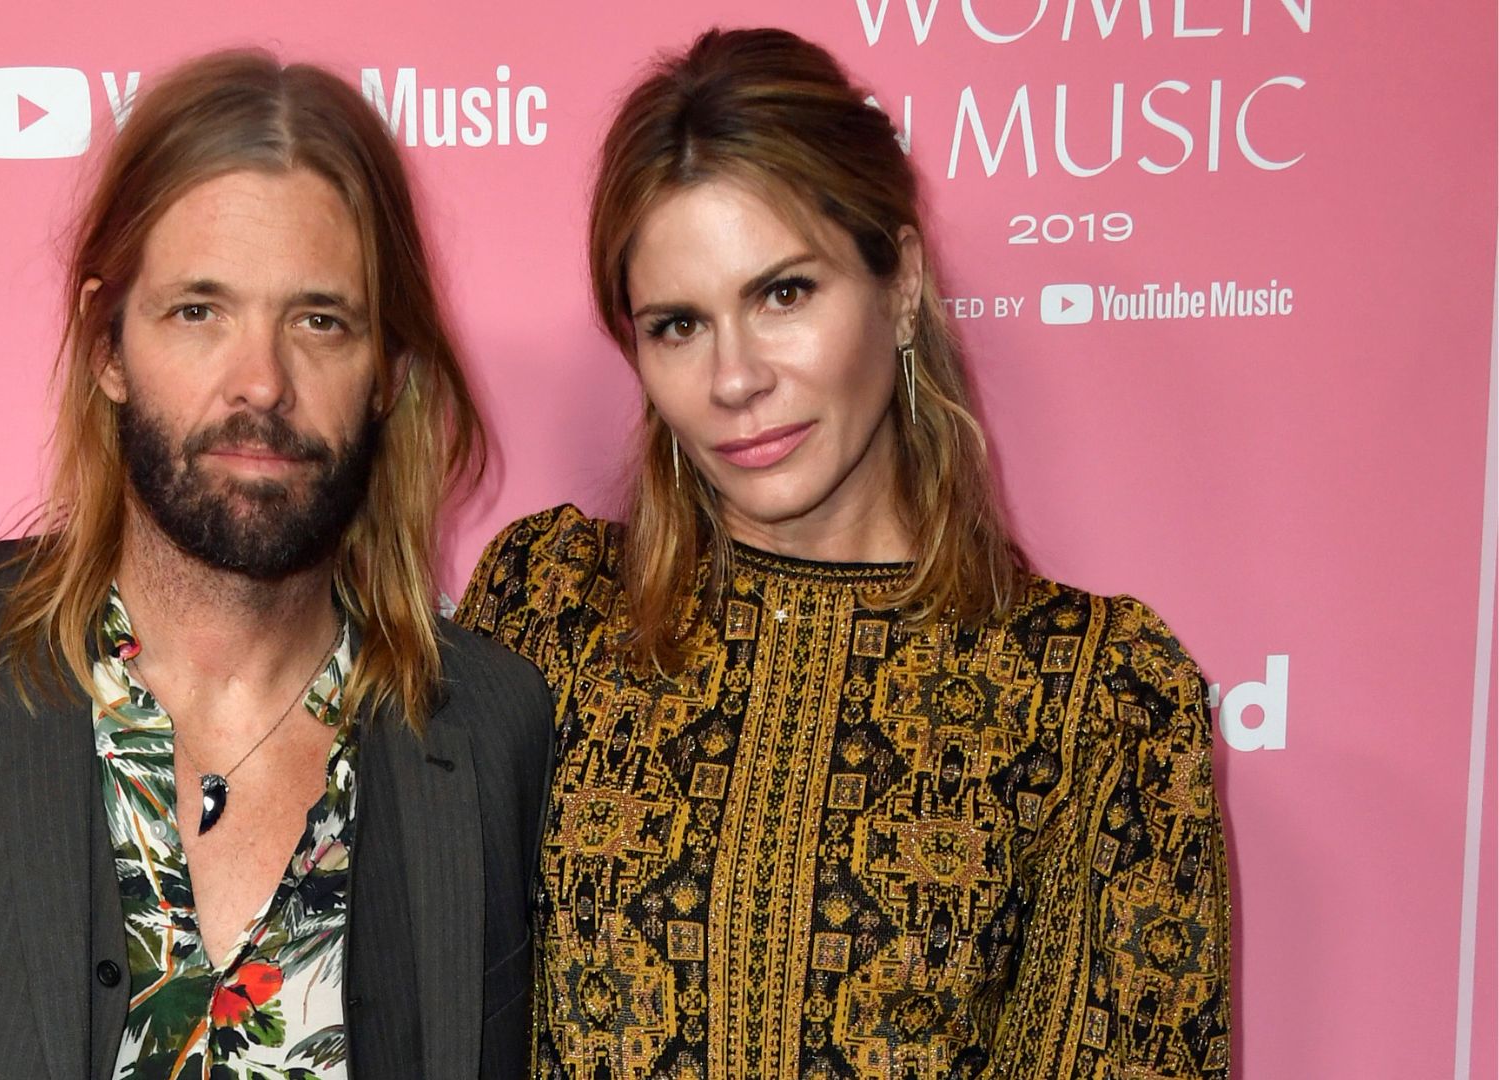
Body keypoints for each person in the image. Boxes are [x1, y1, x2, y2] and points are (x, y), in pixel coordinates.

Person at [0, 49, 552, 1080]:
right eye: (199, 311)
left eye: (320, 321)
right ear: (108, 345)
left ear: (386, 375)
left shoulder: (491, 725)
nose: (261, 382)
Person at [457, 27, 1231, 1080]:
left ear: (899, 282)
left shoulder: (1096, 695)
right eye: (678, 325)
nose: (735, 379)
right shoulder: (548, 609)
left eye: (784, 293)